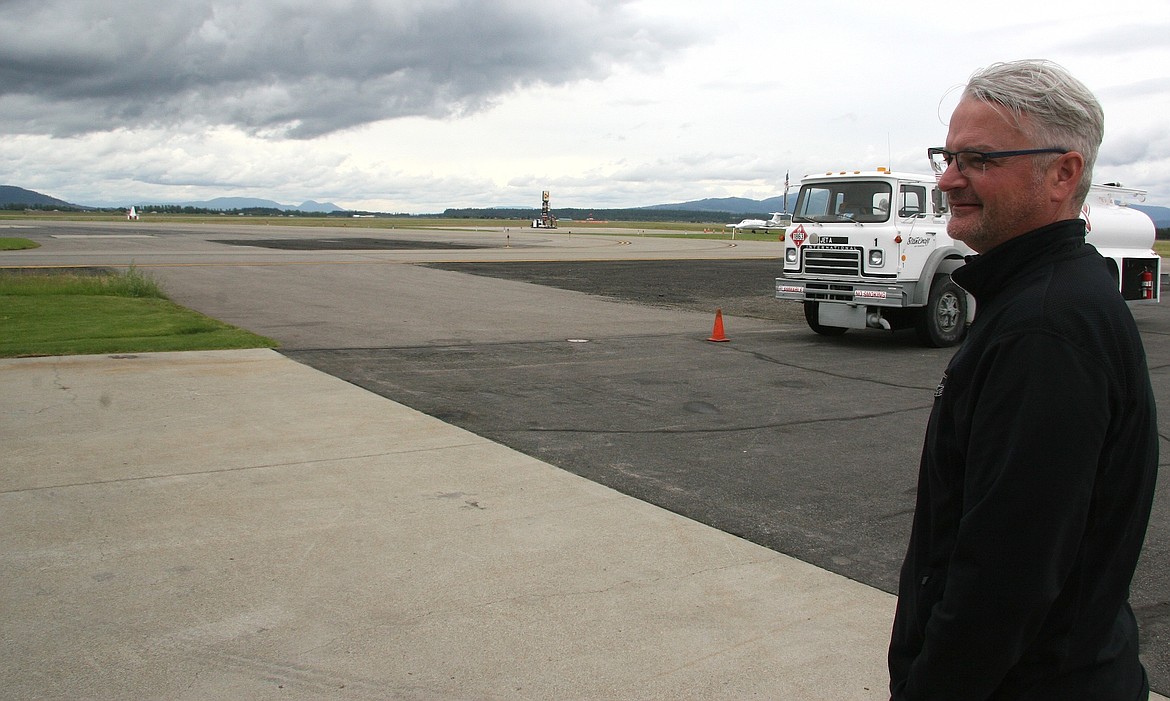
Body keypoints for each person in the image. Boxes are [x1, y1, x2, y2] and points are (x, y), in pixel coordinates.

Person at [888, 59, 1159, 700]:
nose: (947, 180)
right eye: (946, 156)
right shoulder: (1043, 298)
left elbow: (1003, 581)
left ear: (1063, 172)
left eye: (978, 159)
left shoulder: (1044, 329)